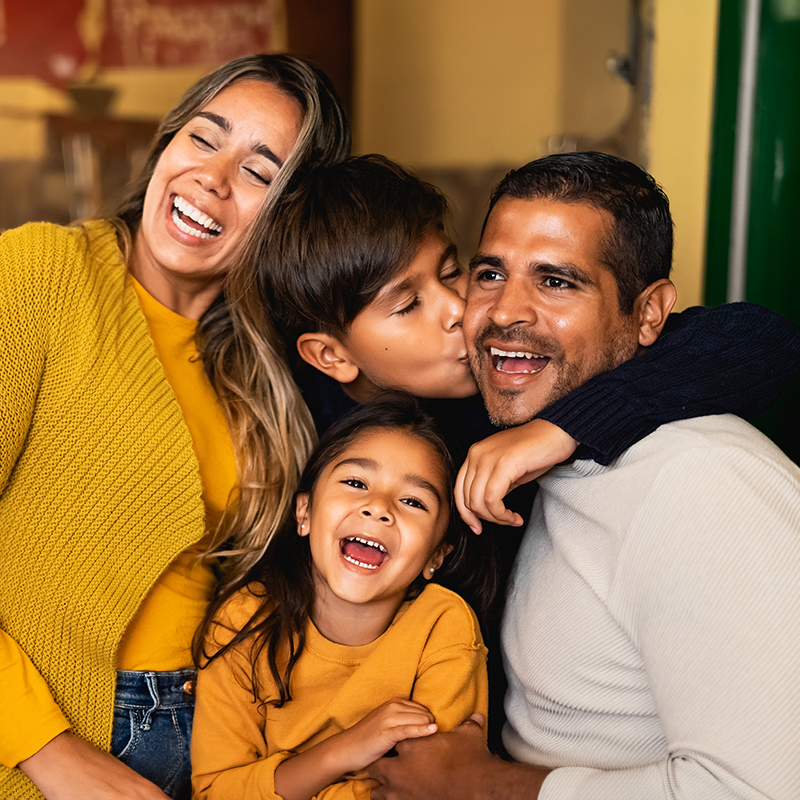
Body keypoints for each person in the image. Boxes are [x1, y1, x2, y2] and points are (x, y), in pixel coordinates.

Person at [252, 152, 800, 752]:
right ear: (332, 356)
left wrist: (566, 426)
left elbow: (759, 339)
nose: (461, 311)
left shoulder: (504, 397)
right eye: (409, 305)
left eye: (454, 273)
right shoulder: (303, 451)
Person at [0, 54, 350, 800]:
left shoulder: (275, 367)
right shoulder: (43, 273)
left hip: (208, 741)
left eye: (260, 173)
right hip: (39, 741)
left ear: (289, 214)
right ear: (165, 145)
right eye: (203, 138)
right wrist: (47, 749)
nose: (213, 179)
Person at [190, 395, 491, 800]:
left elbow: (430, 787)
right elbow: (215, 792)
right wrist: (344, 750)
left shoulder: (443, 624)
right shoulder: (242, 621)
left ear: (435, 556)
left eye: (413, 501)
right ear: (304, 513)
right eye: (355, 483)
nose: (378, 508)